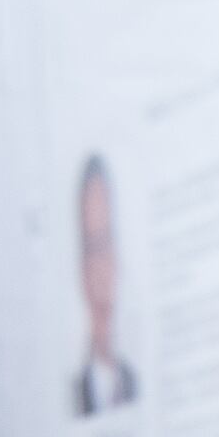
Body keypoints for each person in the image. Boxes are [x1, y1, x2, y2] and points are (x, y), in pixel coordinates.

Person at [71, 154, 138, 419]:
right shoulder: (75, 393)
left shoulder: (134, 383)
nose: (100, 269)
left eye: (106, 244)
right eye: (91, 248)